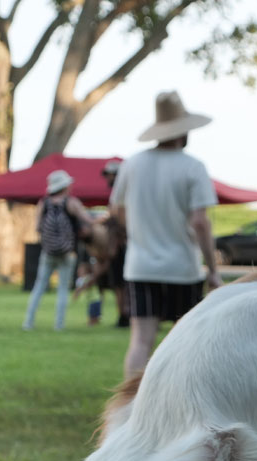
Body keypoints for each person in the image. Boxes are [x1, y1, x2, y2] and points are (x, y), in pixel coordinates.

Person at [110, 91, 220, 377]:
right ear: (184, 131)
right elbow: (200, 222)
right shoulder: (192, 167)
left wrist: (137, 231)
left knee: (141, 342)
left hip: (140, 267)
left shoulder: (131, 164)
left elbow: (116, 209)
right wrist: (213, 269)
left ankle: (130, 415)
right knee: (184, 343)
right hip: (182, 269)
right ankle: (178, 411)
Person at [22, 169, 94, 331]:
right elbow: (88, 220)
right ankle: (59, 325)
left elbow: (37, 227)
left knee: (39, 286)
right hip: (68, 252)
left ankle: (28, 322)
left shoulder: (44, 203)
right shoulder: (71, 202)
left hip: (47, 251)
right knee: (63, 289)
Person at [99, 159, 130, 328]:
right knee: (118, 283)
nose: (108, 179)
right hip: (117, 246)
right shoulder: (116, 196)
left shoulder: (125, 195)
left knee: (122, 283)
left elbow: (121, 220)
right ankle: (122, 316)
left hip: (124, 245)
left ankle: (126, 315)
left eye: (111, 175)